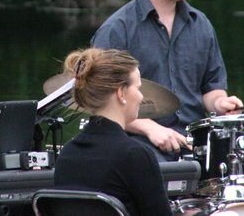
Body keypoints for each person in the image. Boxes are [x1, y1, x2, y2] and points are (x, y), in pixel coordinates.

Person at [91, 0, 243, 161]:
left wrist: (221, 103)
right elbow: (102, 105)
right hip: (139, 146)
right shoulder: (117, 29)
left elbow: (211, 90)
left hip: (196, 144)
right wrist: (149, 127)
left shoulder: (200, 24)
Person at [53, 48, 173, 216]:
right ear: (121, 92)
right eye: (138, 88)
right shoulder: (134, 155)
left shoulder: (68, 152)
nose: (141, 96)